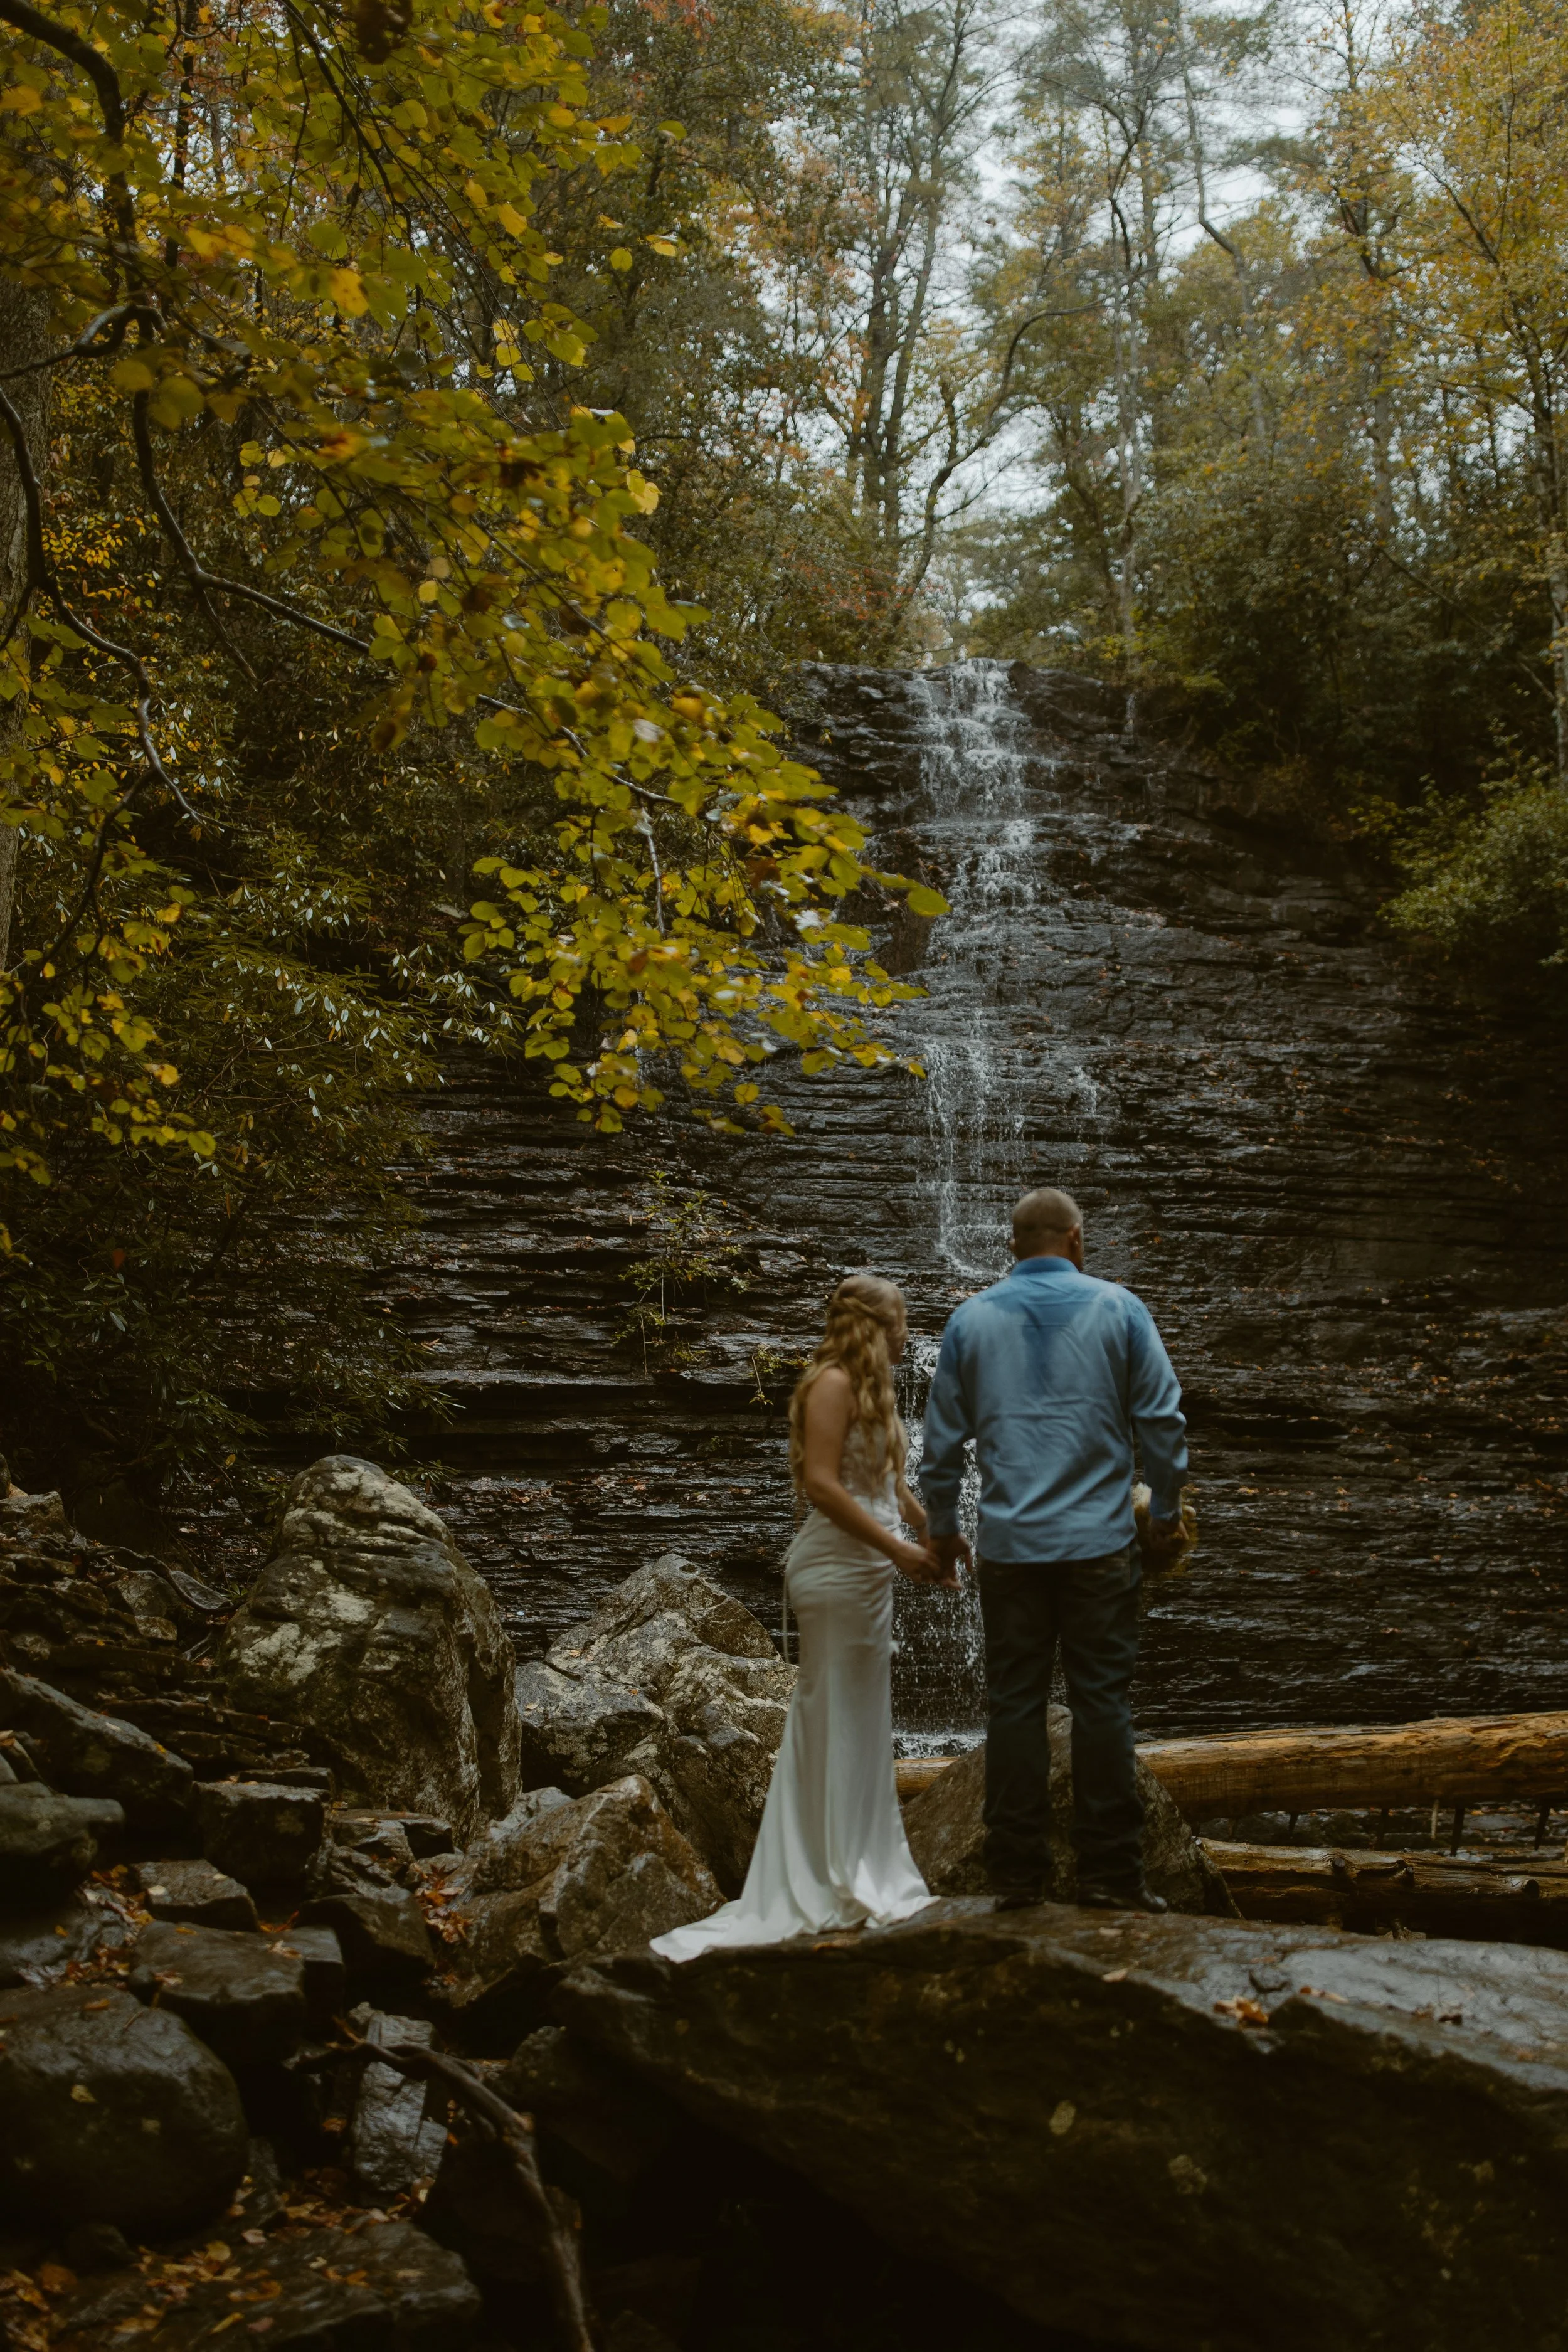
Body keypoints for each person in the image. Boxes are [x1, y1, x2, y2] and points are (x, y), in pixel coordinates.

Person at [653, 1274, 948, 1961]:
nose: (909, 1333)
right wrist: (899, 1550)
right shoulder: (832, 1383)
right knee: (831, 1711)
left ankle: (857, 1868)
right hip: (835, 1568)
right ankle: (823, 1877)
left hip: (871, 1568)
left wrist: (932, 1533)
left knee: (862, 1715)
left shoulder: (874, 1391)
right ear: (874, 1324)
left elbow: (890, 1486)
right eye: (901, 1320)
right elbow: (820, 1484)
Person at [919, 1187, 1188, 1914]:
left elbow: (941, 1445)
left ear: (1014, 1245)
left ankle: (1015, 1876)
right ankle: (1109, 1875)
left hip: (1010, 1548)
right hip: (1100, 1543)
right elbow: (1161, 1419)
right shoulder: (1119, 1309)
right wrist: (1163, 1510)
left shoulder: (970, 1319)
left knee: (1013, 1704)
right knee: (1102, 1702)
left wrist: (942, 1532)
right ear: (1076, 1239)